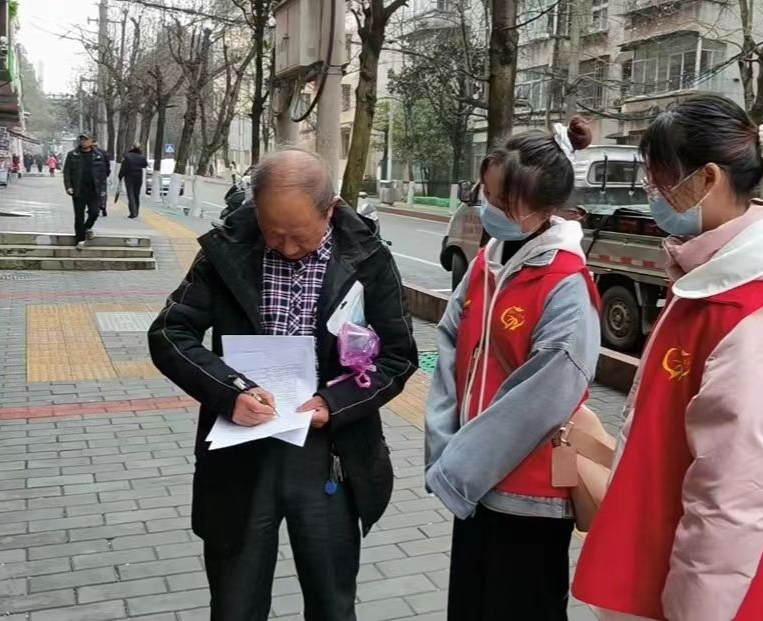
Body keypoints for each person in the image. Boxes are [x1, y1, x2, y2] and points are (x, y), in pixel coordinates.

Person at [148, 148, 418, 621]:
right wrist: (230, 391)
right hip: (241, 446)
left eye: (300, 235)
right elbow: (170, 332)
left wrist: (335, 402)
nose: (287, 247)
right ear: (256, 209)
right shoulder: (227, 250)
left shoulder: (368, 258)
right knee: (235, 602)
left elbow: (398, 357)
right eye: (274, 233)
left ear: (330, 210)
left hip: (329, 452)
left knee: (332, 603)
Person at [573, 94, 763, 621]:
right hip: (671, 566)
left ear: (709, 179)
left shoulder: (747, 310)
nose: (652, 195)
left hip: (718, 595)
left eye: (659, 182)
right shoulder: (712, 280)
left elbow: (735, 493)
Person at [424, 117, 601, 621]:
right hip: (471, 481)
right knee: (471, 605)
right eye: (488, 194)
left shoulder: (565, 282)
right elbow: (449, 346)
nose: (489, 208)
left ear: (542, 207)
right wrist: (444, 446)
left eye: (502, 201)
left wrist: (461, 466)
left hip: (529, 494)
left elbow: (544, 397)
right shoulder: (488, 261)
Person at [63, 133, 109, 249]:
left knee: (94, 212)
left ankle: (87, 228)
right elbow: (67, 172)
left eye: (86, 139)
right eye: (82, 139)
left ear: (92, 141)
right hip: (78, 190)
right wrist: (68, 186)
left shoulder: (98, 155)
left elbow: (103, 174)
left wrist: (103, 189)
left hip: (94, 190)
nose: (83, 142)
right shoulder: (73, 154)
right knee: (79, 216)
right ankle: (80, 240)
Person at [118, 145, 148, 218]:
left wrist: (120, 176)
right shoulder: (141, 157)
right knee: (136, 195)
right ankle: (136, 211)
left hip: (129, 177)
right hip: (138, 177)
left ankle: (133, 212)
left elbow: (123, 167)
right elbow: (145, 165)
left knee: (130, 194)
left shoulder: (127, 157)